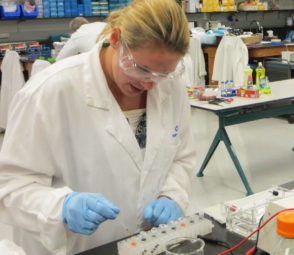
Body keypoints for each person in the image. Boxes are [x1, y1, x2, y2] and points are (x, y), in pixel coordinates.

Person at [0, 0, 196, 254]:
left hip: (145, 243)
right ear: (116, 38)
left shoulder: (170, 86)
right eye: (140, 68)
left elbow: (181, 157)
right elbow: (11, 184)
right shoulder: (49, 91)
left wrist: (172, 195)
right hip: (73, 247)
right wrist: (61, 207)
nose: (149, 84)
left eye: (161, 74)